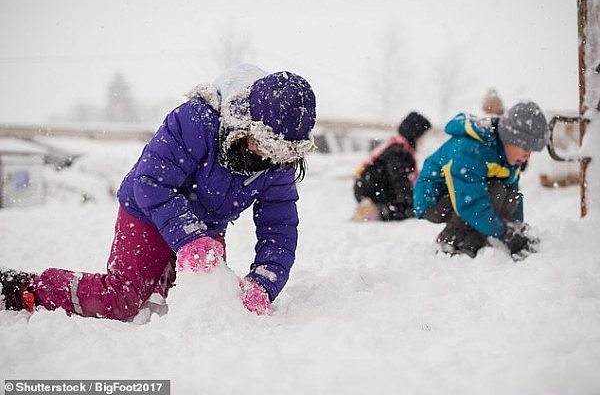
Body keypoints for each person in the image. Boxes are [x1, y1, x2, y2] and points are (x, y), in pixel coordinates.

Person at [0, 64, 316, 319]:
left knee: (207, 305)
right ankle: (28, 288)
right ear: (246, 122)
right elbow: (151, 182)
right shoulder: (197, 121)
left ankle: (163, 274)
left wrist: (263, 283)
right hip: (147, 210)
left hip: (205, 228)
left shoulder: (278, 164)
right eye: (264, 145)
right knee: (121, 299)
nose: (267, 158)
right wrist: (188, 238)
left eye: (281, 154)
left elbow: (279, 228)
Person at [413, 102, 548, 259]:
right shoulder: (471, 149)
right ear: (509, 139)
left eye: (531, 151)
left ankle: (477, 239)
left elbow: (513, 195)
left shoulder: (508, 158)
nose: (527, 156)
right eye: (525, 148)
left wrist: (517, 230)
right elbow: (470, 203)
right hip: (433, 199)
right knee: (494, 191)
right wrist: (504, 233)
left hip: (462, 195)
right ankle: (451, 242)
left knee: (507, 192)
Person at [352, 112, 431, 221]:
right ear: (415, 134)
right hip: (372, 192)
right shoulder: (399, 153)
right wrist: (414, 201)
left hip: (370, 189)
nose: (423, 141)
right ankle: (377, 212)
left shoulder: (397, 147)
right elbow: (400, 183)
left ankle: (377, 209)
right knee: (409, 210)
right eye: (422, 136)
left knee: (409, 206)